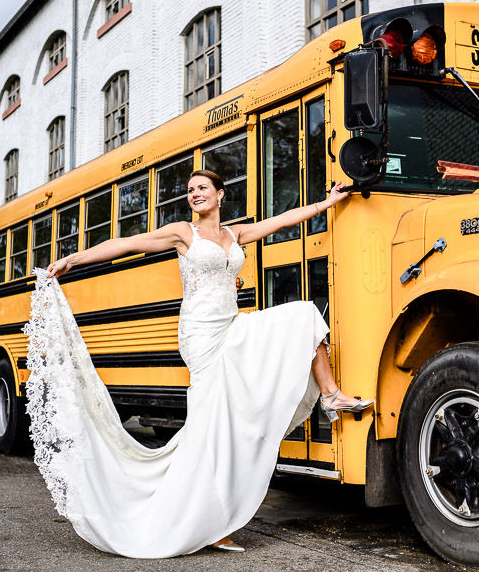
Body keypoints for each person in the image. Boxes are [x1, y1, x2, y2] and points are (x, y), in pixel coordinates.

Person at [23, 169, 372, 558]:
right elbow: (125, 243)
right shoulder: (183, 233)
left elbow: (281, 221)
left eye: (202, 188)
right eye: (190, 190)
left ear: (221, 195)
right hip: (201, 336)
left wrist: (326, 204)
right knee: (211, 427)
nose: (194, 194)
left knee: (304, 317)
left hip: (232, 325)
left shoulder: (235, 234)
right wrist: (75, 257)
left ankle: (331, 395)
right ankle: (207, 524)